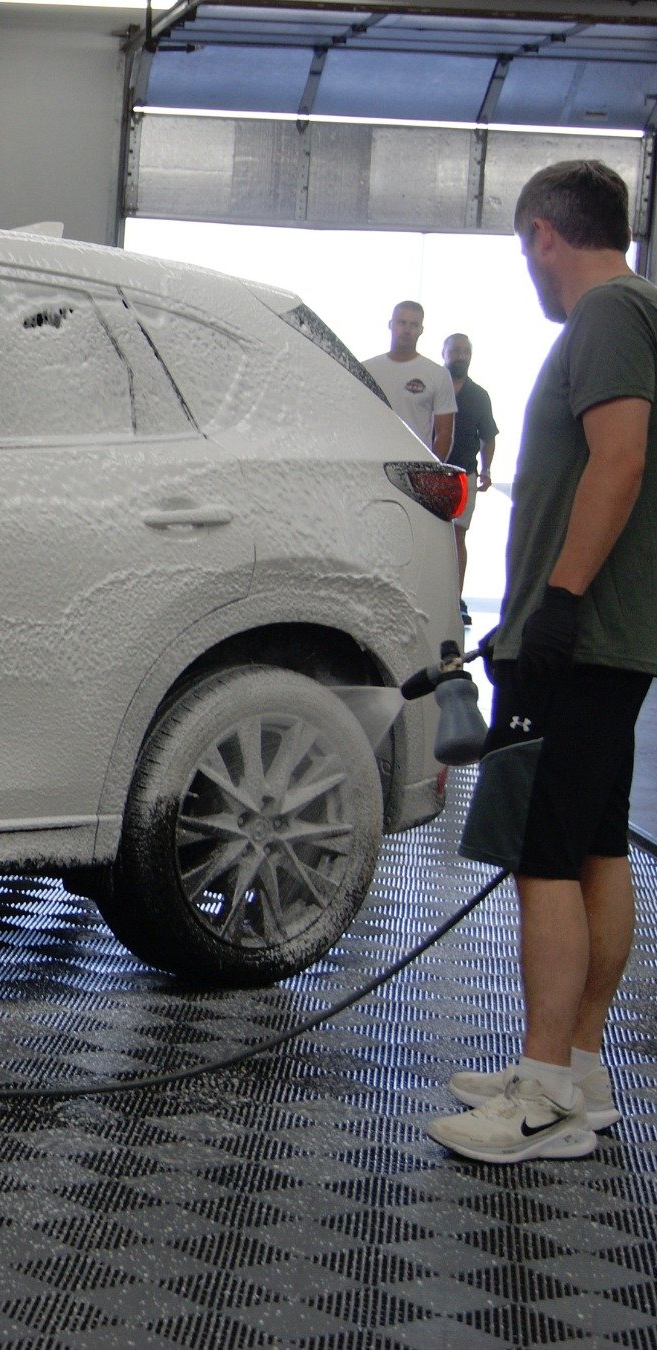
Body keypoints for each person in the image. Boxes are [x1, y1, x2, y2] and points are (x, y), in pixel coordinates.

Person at [429, 160, 656, 1164]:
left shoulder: (606, 314)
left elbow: (622, 457)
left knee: (545, 858)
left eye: (527, 247)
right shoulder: (639, 309)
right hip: (610, 637)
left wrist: (558, 606)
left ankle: (542, 1094)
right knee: (596, 844)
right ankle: (578, 1067)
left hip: (582, 637)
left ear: (543, 238)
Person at [442, 333, 499, 625]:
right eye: (455, 351)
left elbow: (488, 437)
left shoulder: (479, 396)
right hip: (428, 472)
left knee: (457, 537)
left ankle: (455, 599)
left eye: (465, 351)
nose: (460, 356)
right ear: (444, 353)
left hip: (464, 474)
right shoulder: (432, 387)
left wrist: (487, 469)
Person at [364, 301, 456, 460]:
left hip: (414, 470)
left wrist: (432, 475)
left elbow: (444, 433)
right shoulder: (366, 369)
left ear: (421, 330)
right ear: (391, 324)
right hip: (370, 464)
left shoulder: (437, 374)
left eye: (414, 325)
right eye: (402, 322)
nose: (407, 330)